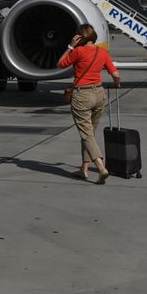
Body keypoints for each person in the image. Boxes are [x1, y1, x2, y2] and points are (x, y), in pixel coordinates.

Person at [57, 23, 122, 184]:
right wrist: (116, 84)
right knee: (89, 134)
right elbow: (116, 74)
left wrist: (70, 46)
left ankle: (101, 168)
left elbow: (60, 63)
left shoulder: (78, 51)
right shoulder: (102, 52)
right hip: (99, 94)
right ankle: (84, 169)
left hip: (82, 95)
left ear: (79, 37)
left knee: (86, 134)